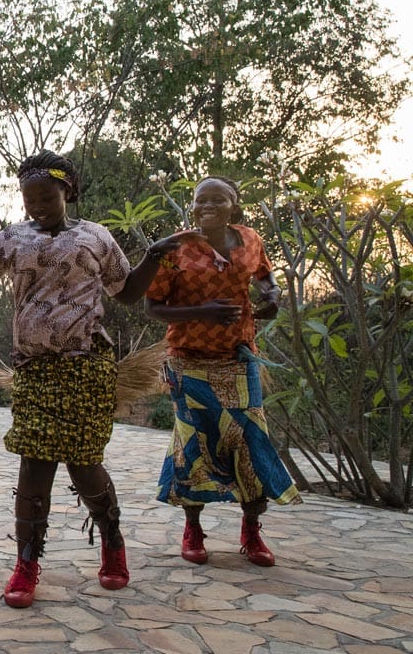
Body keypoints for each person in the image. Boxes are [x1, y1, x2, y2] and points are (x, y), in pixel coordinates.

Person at [0, 151, 187, 609]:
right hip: (35, 370)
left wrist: (154, 256)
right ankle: (26, 562)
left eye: (46, 195)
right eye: (29, 197)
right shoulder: (12, 238)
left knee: (84, 464)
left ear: (69, 191)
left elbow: (128, 292)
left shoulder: (95, 236)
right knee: (34, 465)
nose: (37, 204)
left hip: (86, 367)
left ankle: (113, 542)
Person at [145, 175, 301, 568]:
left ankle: (251, 531)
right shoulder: (176, 249)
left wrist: (273, 295)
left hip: (237, 357)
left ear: (234, 204)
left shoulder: (249, 239)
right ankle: (193, 530)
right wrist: (203, 312)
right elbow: (151, 307)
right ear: (192, 206)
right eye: (201, 201)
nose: (208, 206)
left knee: (250, 441)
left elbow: (265, 274)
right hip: (188, 359)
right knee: (194, 443)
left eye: (218, 200)